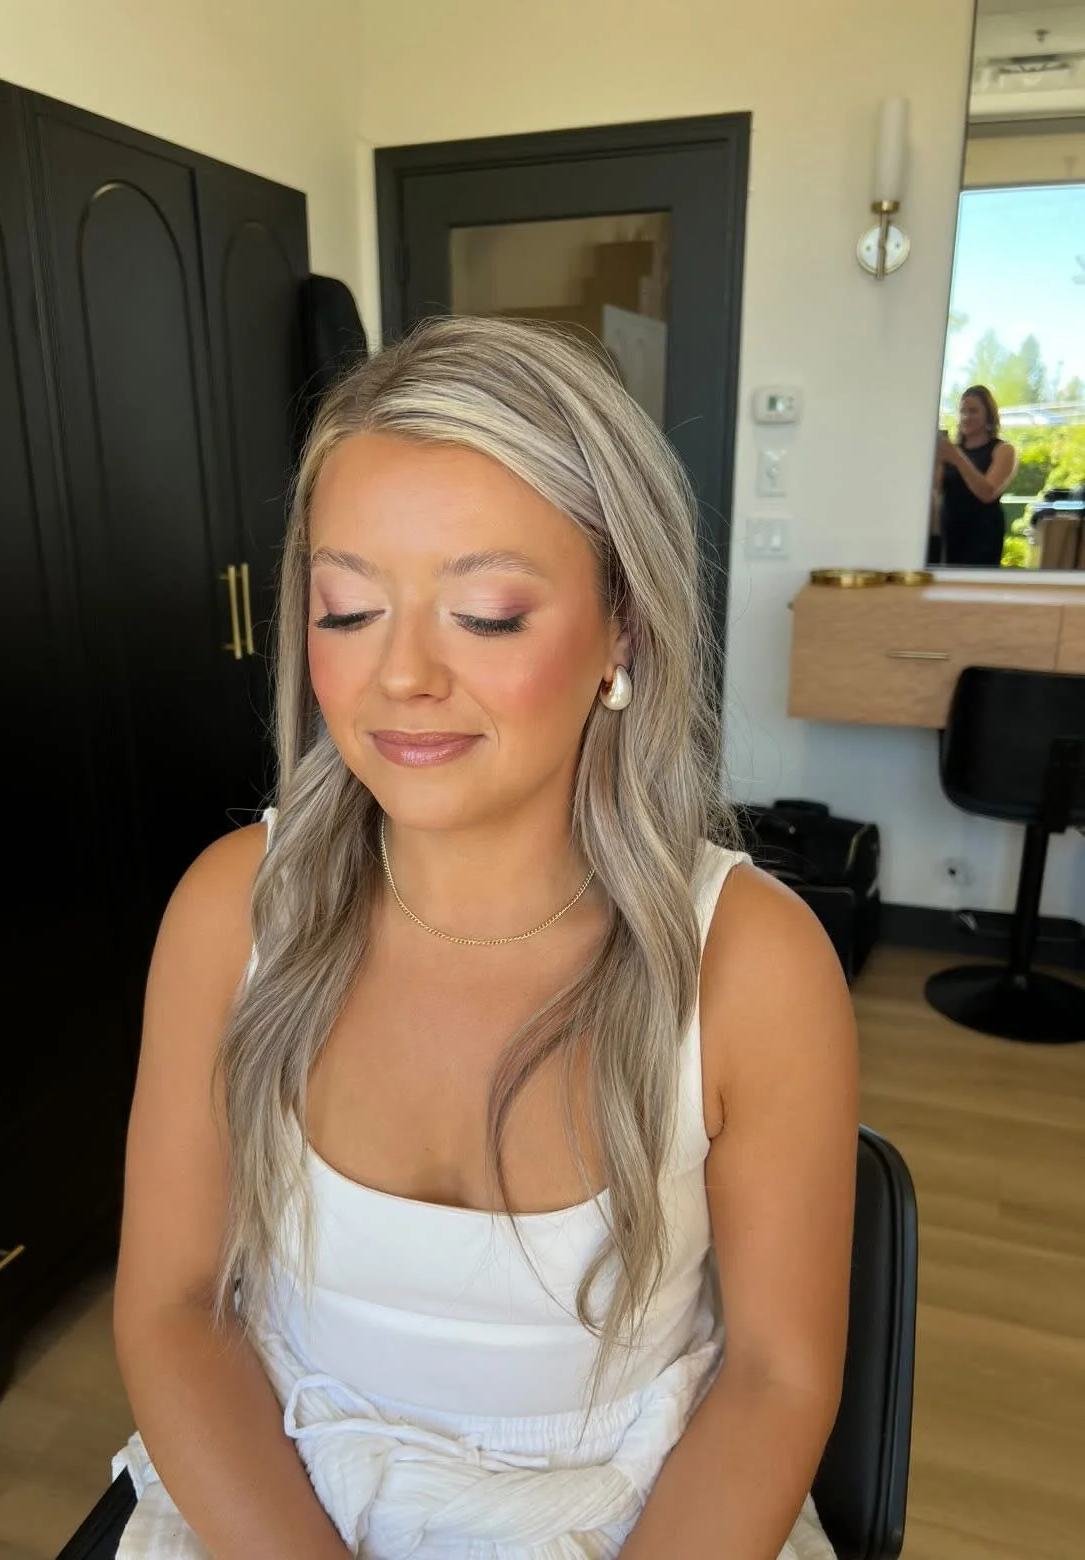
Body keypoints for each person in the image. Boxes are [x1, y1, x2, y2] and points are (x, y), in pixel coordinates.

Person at [111, 317, 858, 1560]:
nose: (399, 675)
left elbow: (777, 1377)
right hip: (272, 1504)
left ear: (623, 629)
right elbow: (174, 1310)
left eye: (488, 614)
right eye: (348, 610)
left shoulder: (752, 966)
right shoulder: (230, 914)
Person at [935, 385, 1018, 566]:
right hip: (950, 529)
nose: (966, 416)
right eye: (962, 411)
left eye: (973, 411)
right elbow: (935, 490)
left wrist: (957, 458)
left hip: (983, 534)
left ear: (988, 415)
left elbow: (987, 493)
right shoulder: (951, 451)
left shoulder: (1003, 450)